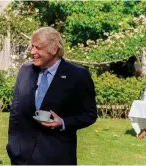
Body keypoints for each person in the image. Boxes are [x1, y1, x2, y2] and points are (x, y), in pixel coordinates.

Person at [6, 27, 98, 165]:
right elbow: (15, 112)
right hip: (22, 157)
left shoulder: (78, 75)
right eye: (32, 47)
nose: (32, 52)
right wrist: (13, 147)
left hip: (57, 157)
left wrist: (63, 122)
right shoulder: (25, 70)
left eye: (38, 48)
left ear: (53, 50)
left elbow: (90, 114)